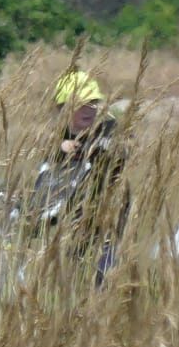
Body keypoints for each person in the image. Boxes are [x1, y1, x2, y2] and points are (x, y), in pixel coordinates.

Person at [47, 70, 130, 285]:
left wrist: (92, 148)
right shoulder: (57, 136)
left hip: (110, 210)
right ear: (63, 108)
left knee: (106, 265)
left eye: (93, 102)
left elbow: (122, 149)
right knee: (75, 264)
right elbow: (46, 167)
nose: (89, 109)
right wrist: (61, 148)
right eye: (81, 104)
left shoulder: (108, 129)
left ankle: (103, 290)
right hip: (76, 214)